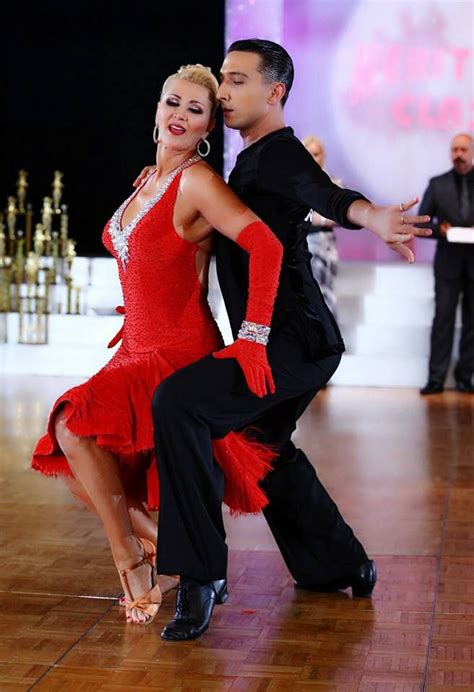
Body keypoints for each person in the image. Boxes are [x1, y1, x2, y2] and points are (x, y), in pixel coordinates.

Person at [135, 39, 431, 642]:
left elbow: (324, 194)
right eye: (223, 78)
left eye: (238, 80)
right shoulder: (246, 161)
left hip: (289, 342)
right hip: (296, 340)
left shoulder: (279, 153)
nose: (223, 90)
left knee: (179, 403)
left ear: (276, 92)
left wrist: (370, 216)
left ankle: (198, 579)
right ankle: (342, 564)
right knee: (264, 446)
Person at [31, 63, 285, 625]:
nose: (180, 115)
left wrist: (253, 337)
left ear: (206, 129)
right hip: (135, 346)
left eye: (196, 111)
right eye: (173, 103)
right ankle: (179, 554)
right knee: (88, 470)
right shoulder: (148, 180)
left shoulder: (196, 181)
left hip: (175, 350)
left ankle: (133, 561)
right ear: (156, 109)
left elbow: (265, 246)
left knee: (70, 426)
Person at [418, 133, 474, 395]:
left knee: (473, 322)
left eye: (463, 149)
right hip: (448, 261)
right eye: (455, 149)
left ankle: (465, 377)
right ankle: (436, 378)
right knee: (443, 320)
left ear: (471, 151)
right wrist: (440, 228)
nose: (459, 154)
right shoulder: (437, 184)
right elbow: (423, 220)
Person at [301, 135, 341, 317]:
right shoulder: (296, 184)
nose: (313, 159)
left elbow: (339, 216)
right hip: (301, 242)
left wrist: (317, 218)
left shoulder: (332, 183)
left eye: (316, 154)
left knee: (324, 289)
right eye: (308, 154)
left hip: (324, 243)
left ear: (322, 155)